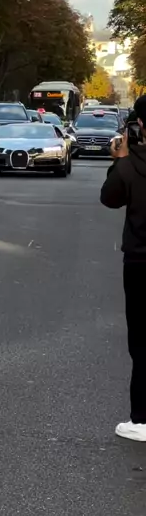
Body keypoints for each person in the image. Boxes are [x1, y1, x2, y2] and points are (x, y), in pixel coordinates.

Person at [101, 94, 146, 441]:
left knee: (142, 339)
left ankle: (141, 419)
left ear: (140, 124)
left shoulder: (132, 164)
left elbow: (110, 198)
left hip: (141, 261)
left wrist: (118, 160)